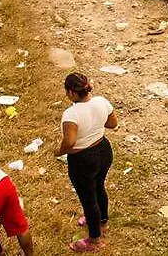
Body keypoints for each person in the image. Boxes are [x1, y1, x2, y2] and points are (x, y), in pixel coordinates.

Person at [57, 73, 118, 252]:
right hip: (103, 150)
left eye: (67, 92)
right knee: (99, 186)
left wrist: (58, 151)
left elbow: (69, 142)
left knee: (88, 198)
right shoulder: (101, 102)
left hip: (83, 159)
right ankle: (102, 221)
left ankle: (94, 240)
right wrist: (94, 124)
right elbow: (113, 124)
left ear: (72, 93)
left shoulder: (71, 114)